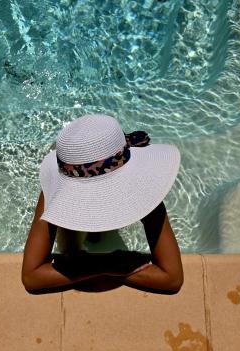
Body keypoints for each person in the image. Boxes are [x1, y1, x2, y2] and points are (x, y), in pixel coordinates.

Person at [21, 114, 183, 294]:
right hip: (75, 173)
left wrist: (89, 266)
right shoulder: (59, 183)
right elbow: (31, 277)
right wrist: (112, 264)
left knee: (80, 249)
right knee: (70, 247)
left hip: (85, 172)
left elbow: (172, 278)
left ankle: (96, 235)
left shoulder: (141, 182)